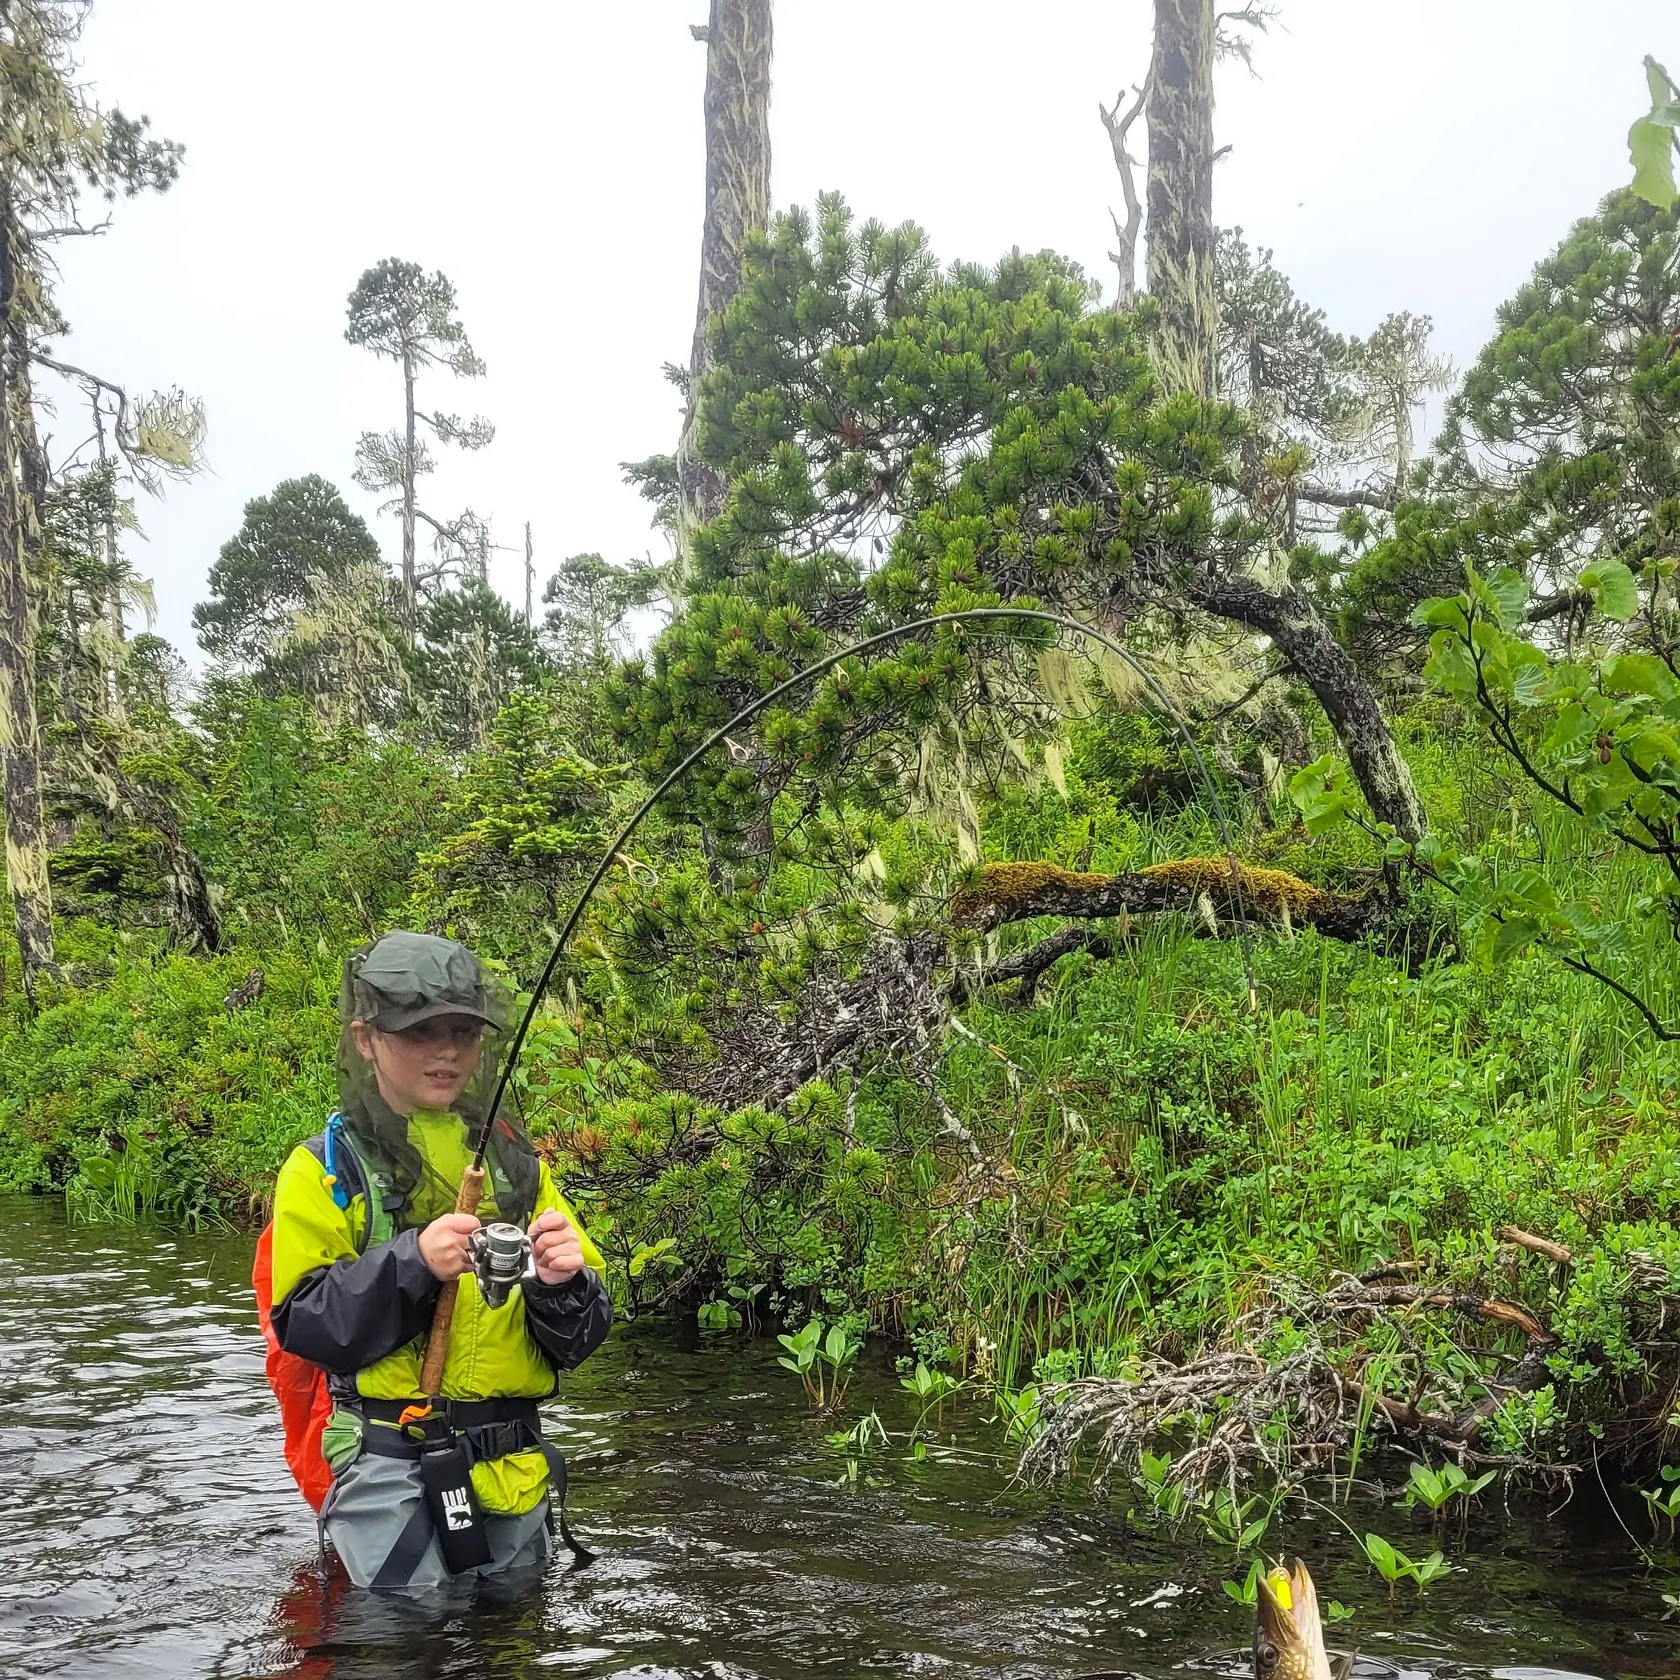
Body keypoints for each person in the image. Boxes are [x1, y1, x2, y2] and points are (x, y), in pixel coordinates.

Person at [267, 930, 612, 1590]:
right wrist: (414, 1262)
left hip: (515, 1474)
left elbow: (578, 1342)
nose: (448, 1050)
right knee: (401, 1644)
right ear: (367, 1038)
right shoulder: (325, 1170)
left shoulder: (519, 1167)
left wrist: (565, 1287)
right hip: (392, 1473)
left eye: (463, 1031)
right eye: (421, 1032)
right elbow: (306, 1324)